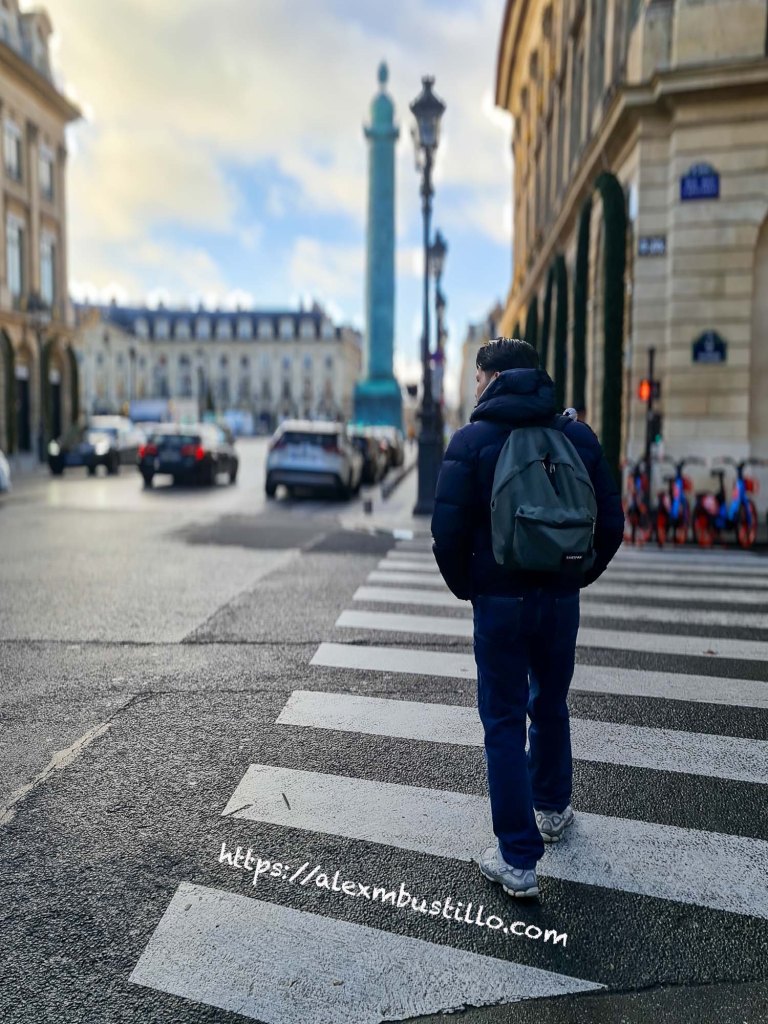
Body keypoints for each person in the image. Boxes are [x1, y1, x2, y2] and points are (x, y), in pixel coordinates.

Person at [430, 338, 624, 898]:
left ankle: (517, 858)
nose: (473, 388)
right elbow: (610, 524)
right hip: (560, 600)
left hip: (499, 602)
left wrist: (473, 587)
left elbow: (446, 534)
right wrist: (575, 577)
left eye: (476, 378)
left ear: (492, 379)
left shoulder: (472, 441)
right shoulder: (576, 435)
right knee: (551, 702)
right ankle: (554, 808)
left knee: (503, 721)